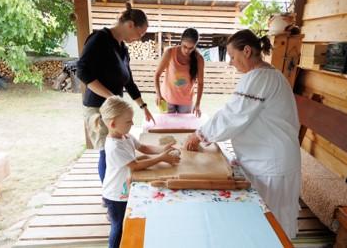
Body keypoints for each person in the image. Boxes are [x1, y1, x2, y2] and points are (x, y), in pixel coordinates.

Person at [185, 29, 301, 239]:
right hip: (270, 158)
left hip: (272, 163)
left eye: (232, 56)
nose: (230, 62)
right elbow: (238, 112)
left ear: (246, 51)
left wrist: (199, 135)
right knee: (267, 222)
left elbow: (232, 115)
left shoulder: (260, 77)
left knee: (271, 226)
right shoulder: (266, 75)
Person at [76, 3, 155, 187]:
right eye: (140, 33)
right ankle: (108, 192)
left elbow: (129, 81)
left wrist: (143, 106)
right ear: (130, 25)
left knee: (117, 146)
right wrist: (111, 96)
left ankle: (118, 186)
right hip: (98, 108)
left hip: (115, 107)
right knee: (107, 150)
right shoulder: (99, 39)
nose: (140, 38)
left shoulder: (122, 48)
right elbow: (82, 71)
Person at [94, 96, 180, 248]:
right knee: (119, 227)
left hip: (124, 189)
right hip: (115, 195)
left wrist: (163, 150)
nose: (133, 123)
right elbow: (134, 166)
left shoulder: (125, 136)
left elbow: (144, 148)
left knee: (126, 222)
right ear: (113, 124)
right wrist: (161, 158)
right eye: (128, 121)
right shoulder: (114, 146)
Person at [154, 28, 205, 117]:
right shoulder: (170, 52)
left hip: (186, 102)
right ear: (181, 41)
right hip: (166, 99)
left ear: (195, 45)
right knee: (167, 128)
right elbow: (157, 75)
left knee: (184, 129)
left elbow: (200, 83)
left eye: (191, 48)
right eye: (184, 46)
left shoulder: (199, 59)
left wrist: (197, 104)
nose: (187, 51)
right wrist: (158, 95)